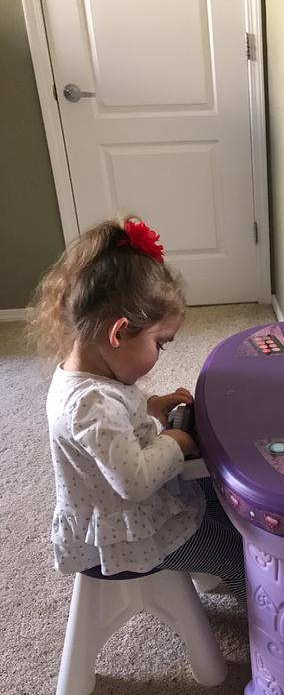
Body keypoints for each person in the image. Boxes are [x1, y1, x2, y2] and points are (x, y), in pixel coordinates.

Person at [27, 216, 246, 605]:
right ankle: (272, 640)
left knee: (212, 496)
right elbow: (136, 481)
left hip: (123, 518)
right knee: (239, 556)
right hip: (128, 538)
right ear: (118, 332)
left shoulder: (90, 377)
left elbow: (114, 423)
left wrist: (152, 408)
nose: (160, 355)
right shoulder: (90, 404)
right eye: (160, 344)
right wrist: (176, 441)